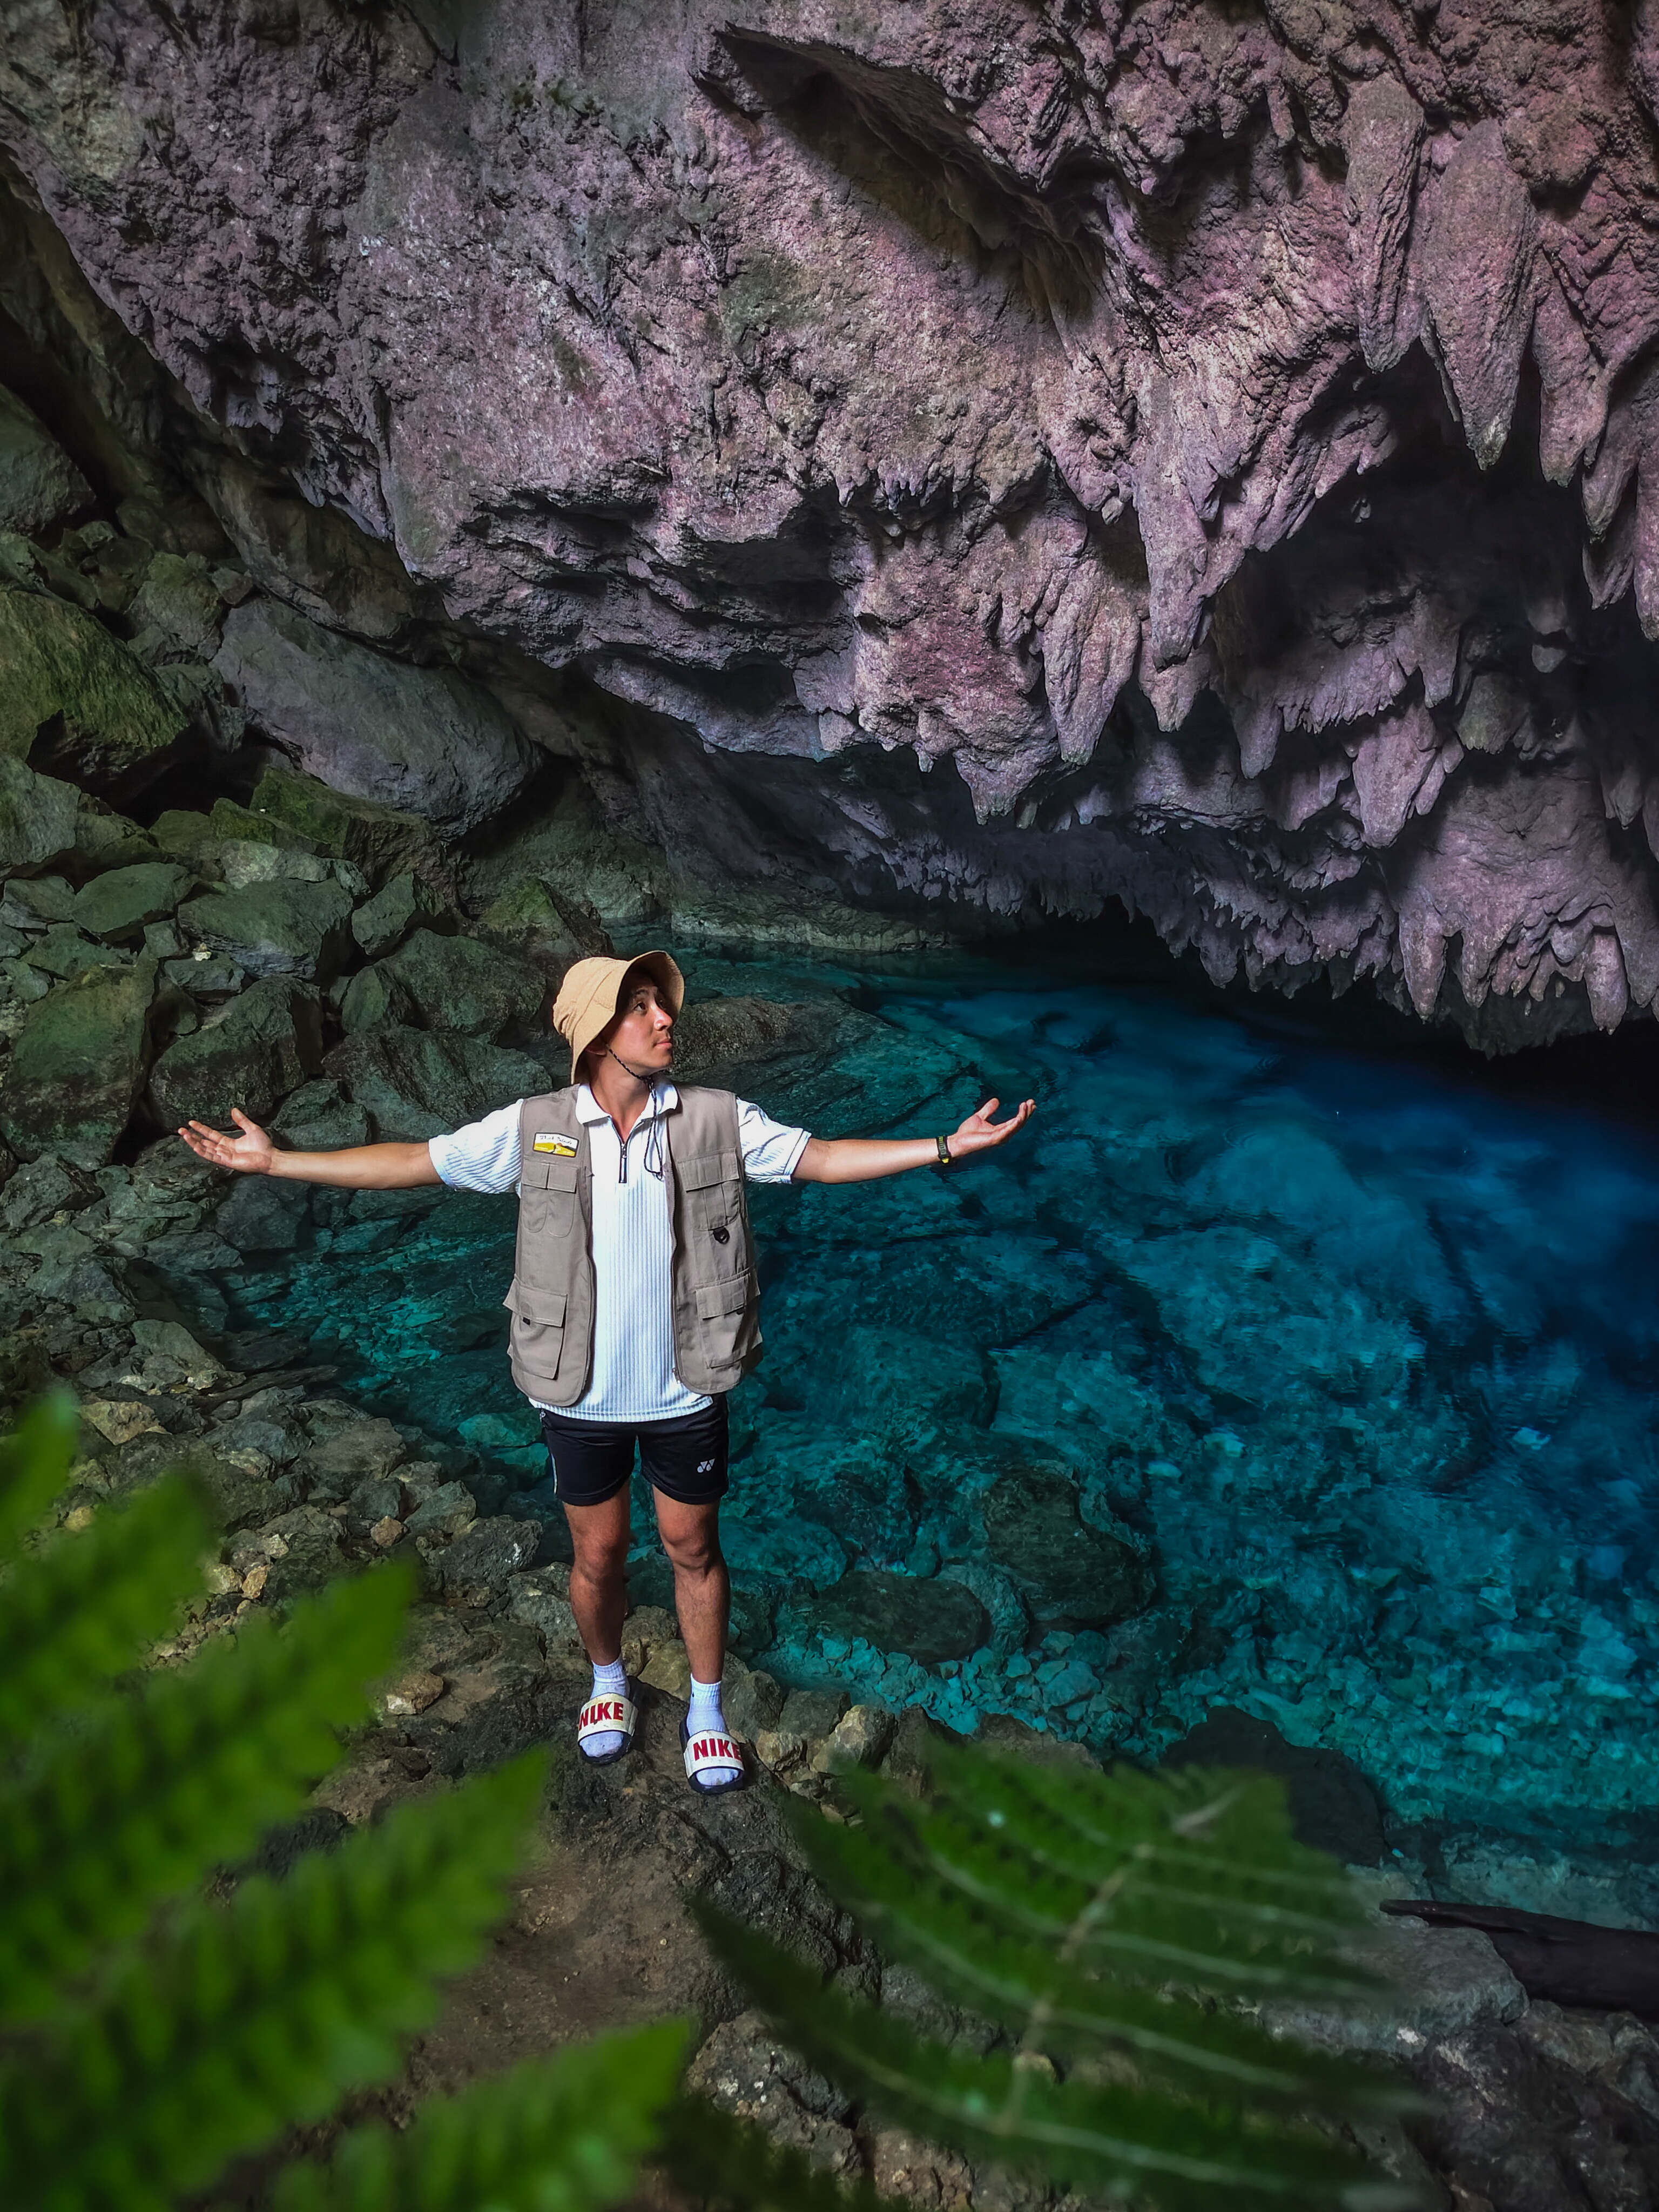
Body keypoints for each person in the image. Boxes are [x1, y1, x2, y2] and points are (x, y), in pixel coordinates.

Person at [179, 950, 1035, 1794]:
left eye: (664, 1006)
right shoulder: (533, 1125)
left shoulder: (714, 1117)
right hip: (577, 1392)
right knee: (599, 1555)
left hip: (685, 1389)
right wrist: (277, 1161)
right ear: (596, 1031)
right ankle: (608, 1684)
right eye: (643, 1009)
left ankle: (707, 1710)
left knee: (693, 1547)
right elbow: (416, 1161)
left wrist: (944, 1147)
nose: (668, 1020)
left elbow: (820, 1158)